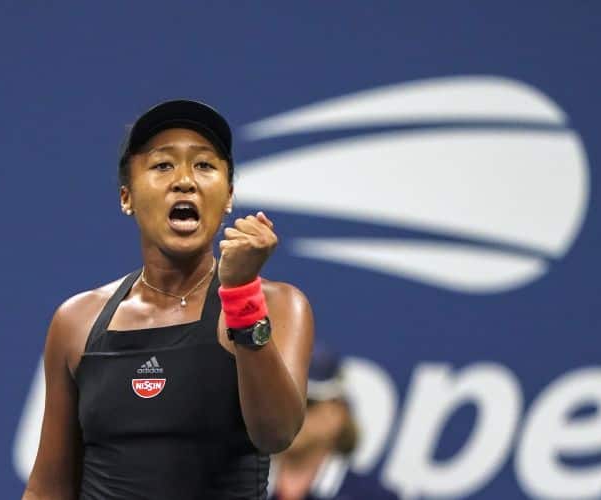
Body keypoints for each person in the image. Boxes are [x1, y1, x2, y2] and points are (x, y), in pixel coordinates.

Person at [22, 100, 314, 500]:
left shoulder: (280, 304)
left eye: (205, 166)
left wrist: (242, 294)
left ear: (228, 196)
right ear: (127, 197)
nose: (185, 181)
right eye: (162, 165)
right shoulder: (76, 322)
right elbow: (48, 490)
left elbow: (276, 432)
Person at [269, 344, 399, 500]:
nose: (288, 413)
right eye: (280, 399)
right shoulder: (236, 485)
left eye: (307, 403)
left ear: (337, 415)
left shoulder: (372, 496)